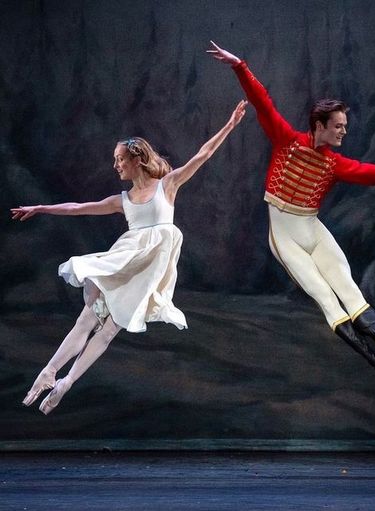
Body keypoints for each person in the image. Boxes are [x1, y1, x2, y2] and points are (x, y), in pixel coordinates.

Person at [207, 41, 375, 387]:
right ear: (320, 124)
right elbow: (262, 101)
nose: (344, 131)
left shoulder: (334, 164)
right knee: (326, 298)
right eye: (339, 125)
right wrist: (239, 65)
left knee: (349, 289)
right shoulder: (287, 141)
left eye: (344, 125)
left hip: (313, 230)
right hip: (285, 236)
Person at [12, 100, 247, 414]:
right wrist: (40, 208)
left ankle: (66, 381)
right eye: (115, 160)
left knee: (109, 329)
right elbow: (79, 208)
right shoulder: (122, 200)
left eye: (120, 159)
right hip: (126, 262)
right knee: (89, 320)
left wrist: (229, 125)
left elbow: (202, 155)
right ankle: (51, 372)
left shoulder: (168, 185)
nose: (116, 165)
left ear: (137, 159)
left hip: (148, 269)